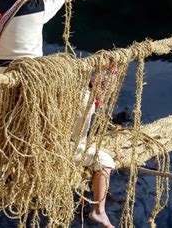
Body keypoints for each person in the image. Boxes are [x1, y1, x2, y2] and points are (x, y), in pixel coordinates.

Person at [72, 68, 118, 228]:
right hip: (65, 148)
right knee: (105, 160)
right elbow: (77, 138)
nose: (108, 89)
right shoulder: (86, 101)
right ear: (94, 80)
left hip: (62, 143)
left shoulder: (80, 91)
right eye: (106, 84)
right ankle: (99, 211)